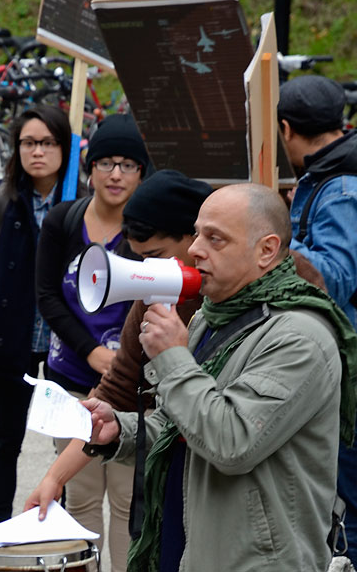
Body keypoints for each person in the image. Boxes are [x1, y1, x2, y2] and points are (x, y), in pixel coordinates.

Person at [84, 183, 357, 571]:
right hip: (194, 546)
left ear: (266, 250)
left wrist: (173, 357)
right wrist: (123, 429)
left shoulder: (300, 337)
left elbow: (232, 441)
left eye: (216, 238)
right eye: (197, 233)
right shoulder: (210, 318)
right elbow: (185, 422)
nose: (195, 248)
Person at [25, 169, 211, 540]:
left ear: (195, 238)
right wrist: (54, 478)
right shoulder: (152, 300)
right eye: (141, 259)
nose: (148, 271)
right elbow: (115, 392)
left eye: (156, 255)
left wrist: (175, 352)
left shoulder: (249, 296)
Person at [35, 113, 149, 571]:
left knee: (126, 503)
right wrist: (91, 352)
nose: (116, 174)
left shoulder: (147, 236)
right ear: (90, 167)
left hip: (129, 390)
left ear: (143, 171)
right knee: (79, 499)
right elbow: (47, 295)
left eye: (127, 164)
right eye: (105, 162)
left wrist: (120, 362)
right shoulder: (64, 220)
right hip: (71, 381)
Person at [0, 105, 73, 526]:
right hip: (13, 341)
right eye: (28, 143)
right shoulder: (0, 197)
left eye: (46, 143)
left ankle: (64, 525)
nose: (37, 152)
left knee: (73, 443)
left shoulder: (80, 199)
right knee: (5, 439)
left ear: (65, 147)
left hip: (69, 343)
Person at [279, 75, 357, 567]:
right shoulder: (333, 173)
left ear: (286, 129)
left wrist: (272, 239)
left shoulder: (342, 186)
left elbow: (334, 276)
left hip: (349, 371)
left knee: (348, 508)